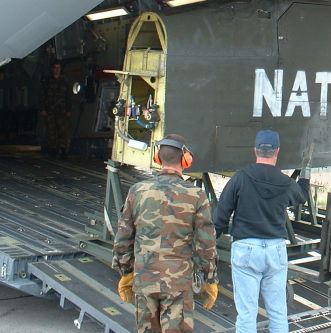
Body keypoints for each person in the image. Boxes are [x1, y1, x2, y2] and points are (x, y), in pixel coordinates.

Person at [112, 134, 218, 333]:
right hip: (178, 283)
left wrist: (125, 272)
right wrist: (210, 279)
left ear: (158, 159)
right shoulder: (196, 195)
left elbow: (123, 237)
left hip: (145, 279)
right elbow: (206, 244)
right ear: (186, 160)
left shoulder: (137, 191)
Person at [213, 129, 310, 333]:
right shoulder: (284, 182)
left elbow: (221, 214)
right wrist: (305, 175)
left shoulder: (241, 178)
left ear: (255, 150)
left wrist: (212, 240)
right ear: (277, 151)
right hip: (275, 250)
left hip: (245, 249)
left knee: (247, 314)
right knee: (277, 312)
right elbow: (300, 196)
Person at [40, 61, 72, 158]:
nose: (57, 69)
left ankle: (63, 150)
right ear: (52, 69)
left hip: (62, 110)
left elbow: (68, 96)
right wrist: (43, 109)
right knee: (51, 131)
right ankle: (53, 150)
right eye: (55, 67)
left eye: (58, 68)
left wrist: (68, 109)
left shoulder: (65, 81)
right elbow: (42, 96)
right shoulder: (47, 81)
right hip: (50, 110)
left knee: (63, 131)